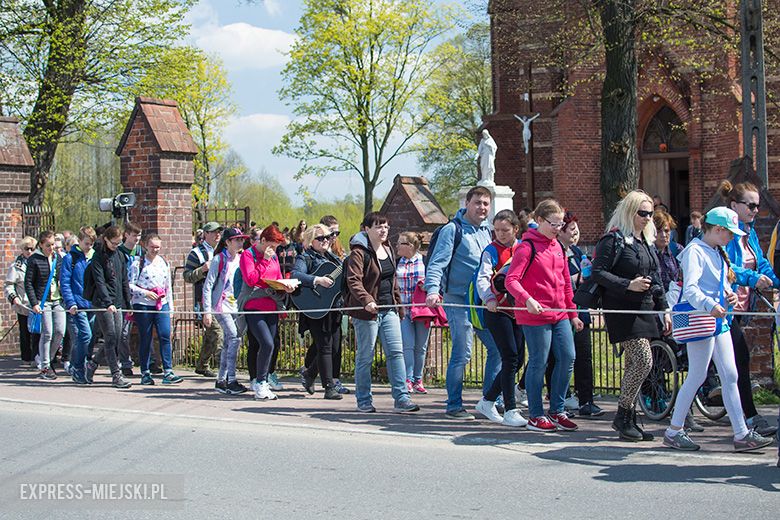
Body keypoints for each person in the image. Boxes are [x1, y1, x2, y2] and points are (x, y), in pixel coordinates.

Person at [663, 207, 773, 452]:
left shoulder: (714, 250)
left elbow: (719, 284)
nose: (732, 237)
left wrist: (729, 295)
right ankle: (674, 430)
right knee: (697, 376)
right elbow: (690, 289)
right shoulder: (695, 252)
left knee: (730, 375)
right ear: (717, 229)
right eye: (729, 233)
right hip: (703, 320)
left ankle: (741, 433)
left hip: (718, 320)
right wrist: (711, 304)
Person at [592, 190, 672, 441]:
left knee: (633, 365)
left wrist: (665, 308)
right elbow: (598, 273)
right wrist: (628, 284)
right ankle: (623, 414)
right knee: (643, 361)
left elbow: (656, 278)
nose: (648, 218)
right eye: (643, 213)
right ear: (630, 211)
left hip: (645, 309)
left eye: (651, 213)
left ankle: (629, 417)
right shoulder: (613, 240)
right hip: (622, 310)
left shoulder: (646, 243)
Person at [504, 200, 582, 432]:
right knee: (539, 361)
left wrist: (573, 313)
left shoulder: (558, 246)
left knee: (568, 357)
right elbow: (511, 280)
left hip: (560, 314)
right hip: (535, 315)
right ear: (538, 221)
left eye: (560, 224)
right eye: (553, 224)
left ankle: (557, 410)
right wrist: (528, 300)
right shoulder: (527, 247)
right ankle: (536, 415)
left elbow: (566, 282)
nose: (558, 228)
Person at [425, 186, 499, 420]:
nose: (482, 207)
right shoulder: (452, 230)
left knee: (498, 350)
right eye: (477, 202)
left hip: (480, 301)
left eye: (486, 203)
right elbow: (437, 263)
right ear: (467, 203)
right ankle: (454, 405)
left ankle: (489, 401)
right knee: (462, 352)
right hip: (458, 301)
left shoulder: (488, 231)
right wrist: (433, 291)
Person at [719, 180, 779, 437]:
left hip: (743, 306)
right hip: (722, 307)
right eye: (751, 206)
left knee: (733, 361)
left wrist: (775, 280)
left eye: (758, 206)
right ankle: (751, 416)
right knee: (741, 357)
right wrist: (753, 278)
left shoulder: (750, 232)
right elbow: (728, 267)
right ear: (735, 205)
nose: (756, 210)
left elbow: (762, 262)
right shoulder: (725, 232)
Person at [346, 212, 419, 413]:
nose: (383, 230)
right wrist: (367, 300)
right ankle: (363, 400)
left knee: (396, 353)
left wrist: (399, 306)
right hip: (367, 313)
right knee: (365, 356)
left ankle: (402, 398)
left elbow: (392, 281)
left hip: (389, 310)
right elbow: (353, 280)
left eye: (386, 226)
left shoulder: (387, 250)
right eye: (378, 226)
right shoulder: (358, 252)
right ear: (366, 229)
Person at [474, 210, 528, 427]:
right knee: (510, 357)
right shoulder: (491, 250)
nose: (500, 234)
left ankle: (487, 401)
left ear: (516, 229)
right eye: (496, 230)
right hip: (498, 311)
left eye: (505, 230)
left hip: (520, 310)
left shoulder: (523, 247)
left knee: (518, 359)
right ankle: (510, 408)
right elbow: (483, 277)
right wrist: (488, 298)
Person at [238, 225, 296, 401]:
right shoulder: (248, 255)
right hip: (253, 305)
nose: (274, 250)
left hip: (271, 305)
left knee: (270, 344)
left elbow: (276, 277)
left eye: (277, 247)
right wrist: (264, 260)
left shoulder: (274, 257)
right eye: (272, 245)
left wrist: (286, 286)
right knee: (267, 343)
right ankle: (260, 382)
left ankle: (261, 381)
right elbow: (251, 279)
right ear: (262, 241)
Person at [556, 211, 604, 417]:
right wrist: (577, 280)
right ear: (561, 232)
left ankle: (586, 399)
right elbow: (560, 280)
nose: (575, 234)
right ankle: (561, 397)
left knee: (584, 356)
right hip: (562, 312)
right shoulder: (555, 251)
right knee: (562, 358)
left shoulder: (576, 252)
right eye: (571, 230)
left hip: (580, 310)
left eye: (577, 230)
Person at [292, 224, 344, 400]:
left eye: (328, 237)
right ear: (310, 241)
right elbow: (295, 275)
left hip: (334, 307)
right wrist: (317, 280)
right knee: (325, 346)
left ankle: (309, 374)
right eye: (321, 238)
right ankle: (329, 387)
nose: (326, 241)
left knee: (334, 346)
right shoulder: (305, 257)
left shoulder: (335, 259)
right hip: (315, 306)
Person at [129, 234, 182, 385]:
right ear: (146, 245)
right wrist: (145, 292)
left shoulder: (163, 263)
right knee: (146, 337)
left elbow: (168, 287)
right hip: (144, 304)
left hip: (161, 304)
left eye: (158, 247)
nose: (155, 250)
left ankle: (168, 371)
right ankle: (145, 372)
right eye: (152, 247)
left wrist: (170, 308)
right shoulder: (137, 264)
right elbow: (130, 285)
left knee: (165, 335)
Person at [203, 227, 249, 395]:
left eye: (241, 239)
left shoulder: (242, 259)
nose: (240, 242)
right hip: (221, 306)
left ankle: (221, 380)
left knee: (231, 341)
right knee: (234, 337)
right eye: (236, 239)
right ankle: (231, 379)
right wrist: (207, 311)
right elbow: (208, 286)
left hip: (235, 305)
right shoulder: (218, 260)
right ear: (228, 242)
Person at [85, 226, 132, 389]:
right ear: (106, 239)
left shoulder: (120, 255)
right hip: (103, 303)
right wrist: (107, 303)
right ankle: (116, 375)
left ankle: (92, 363)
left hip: (118, 302)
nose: (116, 246)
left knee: (116, 338)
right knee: (110, 335)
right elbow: (100, 282)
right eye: (114, 243)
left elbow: (124, 280)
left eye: (119, 243)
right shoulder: (98, 257)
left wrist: (128, 302)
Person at [24, 230, 66, 380]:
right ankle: (45, 366)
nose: (51, 248)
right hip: (43, 302)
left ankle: (46, 358)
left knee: (60, 331)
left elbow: (62, 278)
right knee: (47, 333)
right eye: (48, 245)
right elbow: (28, 283)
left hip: (58, 300)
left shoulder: (58, 258)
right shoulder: (34, 260)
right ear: (41, 245)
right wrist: (34, 303)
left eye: (53, 245)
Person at [184, 221, 223, 377]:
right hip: (204, 299)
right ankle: (225, 372)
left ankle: (202, 365)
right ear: (205, 234)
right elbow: (187, 276)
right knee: (219, 333)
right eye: (213, 232)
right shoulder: (196, 253)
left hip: (222, 298)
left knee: (210, 334)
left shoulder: (223, 251)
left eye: (219, 232)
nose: (217, 235)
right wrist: (203, 269)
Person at [60, 227, 96, 384]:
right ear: (80, 241)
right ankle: (77, 367)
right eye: (86, 243)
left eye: (91, 244)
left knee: (89, 338)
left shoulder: (95, 257)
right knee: (85, 335)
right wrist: (71, 302)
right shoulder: (70, 258)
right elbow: (65, 283)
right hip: (78, 303)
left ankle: (82, 365)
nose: (89, 247)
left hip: (92, 304)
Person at [396, 231, 430, 394]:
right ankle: (407, 379)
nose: (396, 246)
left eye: (400, 243)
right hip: (403, 310)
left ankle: (418, 379)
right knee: (407, 345)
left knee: (421, 347)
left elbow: (437, 282)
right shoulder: (396, 262)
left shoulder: (425, 262)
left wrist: (428, 286)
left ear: (409, 246)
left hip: (421, 309)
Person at [4, 236, 38, 366]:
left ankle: (37, 356)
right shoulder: (16, 266)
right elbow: (9, 285)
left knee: (38, 332)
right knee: (25, 331)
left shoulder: (38, 262)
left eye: (32, 249)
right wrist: (14, 298)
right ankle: (27, 357)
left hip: (38, 302)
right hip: (23, 303)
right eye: (26, 249)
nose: (29, 251)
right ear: (22, 249)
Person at [117, 222, 145, 376]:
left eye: (139, 235)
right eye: (134, 235)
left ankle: (150, 361)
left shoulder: (141, 251)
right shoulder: (119, 251)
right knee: (123, 332)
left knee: (145, 329)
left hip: (140, 295)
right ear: (126, 235)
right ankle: (125, 362)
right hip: (124, 295)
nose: (136, 238)